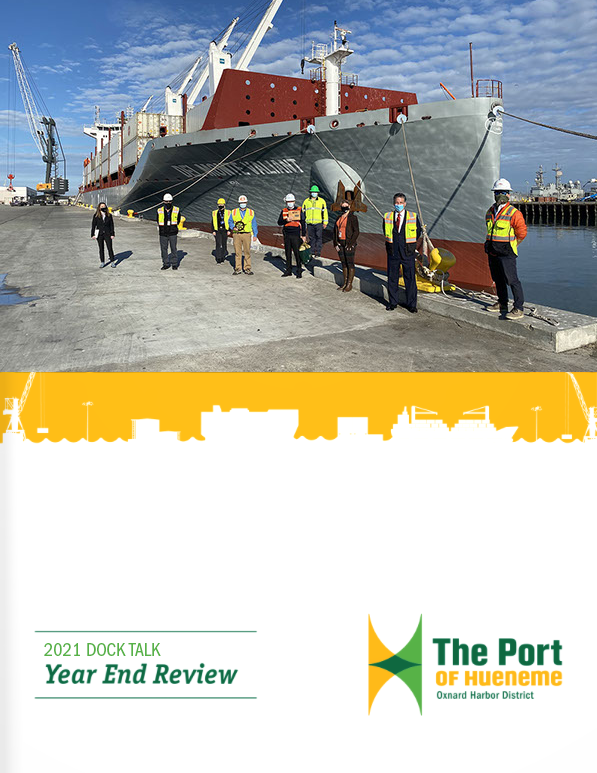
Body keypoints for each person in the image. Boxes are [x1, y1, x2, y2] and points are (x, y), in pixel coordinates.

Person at [484, 178, 527, 320]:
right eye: (497, 192)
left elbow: (522, 233)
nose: (500, 195)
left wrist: (512, 245)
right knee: (498, 279)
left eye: (503, 192)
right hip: (493, 251)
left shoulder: (514, 213)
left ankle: (518, 308)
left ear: (509, 195)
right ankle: (502, 303)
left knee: (512, 280)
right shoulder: (490, 212)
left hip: (507, 253)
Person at [383, 192, 423, 313]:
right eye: (396, 203)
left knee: (410, 278)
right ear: (393, 203)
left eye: (401, 203)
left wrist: (409, 244)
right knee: (392, 278)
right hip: (393, 252)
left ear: (405, 204)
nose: (398, 205)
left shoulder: (412, 216)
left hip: (407, 252)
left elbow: (418, 231)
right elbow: (385, 231)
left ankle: (411, 304)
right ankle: (392, 302)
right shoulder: (387, 216)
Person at [333, 197, 360, 292]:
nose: (344, 208)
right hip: (340, 243)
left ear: (349, 206)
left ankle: (349, 284)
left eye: (346, 206)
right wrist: (335, 243)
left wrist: (351, 243)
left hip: (349, 243)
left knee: (350, 263)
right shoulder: (338, 217)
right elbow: (335, 231)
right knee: (343, 263)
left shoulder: (353, 218)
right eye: (342, 206)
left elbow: (356, 231)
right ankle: (344, 283)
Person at [277, 193, 307, 278]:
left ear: (294, 201)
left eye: (291, 201)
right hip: (287, 234)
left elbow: (303, 222)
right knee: (288, 253)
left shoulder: (299, 210)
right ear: (286, 202)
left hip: (296, 235)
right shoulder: (284, 211)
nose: (290, 203)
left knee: (297, 253)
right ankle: (288, 270)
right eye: (288, 201)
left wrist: (304, 235)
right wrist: (286, 220)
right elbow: (279, 222)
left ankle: (299, 270)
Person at [228, 195, 258, 275]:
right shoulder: (233, 212)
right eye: (241, 203)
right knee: (237, 252)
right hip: (236, 234)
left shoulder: (251, 212)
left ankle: (247, 268)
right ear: (239, 203)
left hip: (247, 234)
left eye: (244, 202)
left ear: (246, 203)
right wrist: (233, 227)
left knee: (247, 251)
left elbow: (254, 224)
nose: (243, 204)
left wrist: (255, 234)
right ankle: (238, 268)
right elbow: (230, 221)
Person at [302, 184, 328, 259]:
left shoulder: (322, 201)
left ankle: (318, 252)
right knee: (311, 238)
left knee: (319, 237)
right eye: (313, 192)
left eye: (315, 192)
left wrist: (325, 222)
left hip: (318, 223)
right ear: (310, 193)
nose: (314, 193)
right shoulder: (306, 201)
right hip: (310, 223)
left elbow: (325, 212)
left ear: (318, 193)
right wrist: (303, 223)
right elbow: (303, 213)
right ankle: (312, 252)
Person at [157, 193, 181, 270]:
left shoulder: (176, 210)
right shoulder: (159, 210)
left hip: (172, 232)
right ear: (163, 202)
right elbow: (158, 220)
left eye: (169, 201)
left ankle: (174, 264)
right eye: (166, 201)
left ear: (172, 201)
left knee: (173, 248)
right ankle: (166, 264)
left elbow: (178, 219)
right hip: (163, 233)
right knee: (164, 249)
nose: (168, 203)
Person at [91, 202, 116, 267]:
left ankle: (112, 261)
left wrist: (112, 234)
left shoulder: (109, 215)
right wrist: (92, 234)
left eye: (104, 206)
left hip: (107, 234)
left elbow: (111, 225)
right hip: (99, 234)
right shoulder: (96, 216)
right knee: (101, 248)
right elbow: (93, 225)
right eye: (101, 206)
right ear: (99, 208)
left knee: (110, 248)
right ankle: (102, 262)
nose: (103, 208)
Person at [212, 197, 231, 263]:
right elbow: (213, 222)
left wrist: (229, 230)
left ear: (224, 205)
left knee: (224, 244)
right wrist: (213, 230)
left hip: (225, 230)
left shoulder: (228, 212)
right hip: (218, 230)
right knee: (218, 243)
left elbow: (230, 221)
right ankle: (218, 258)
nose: (220, 206)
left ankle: (223, 256)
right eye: (219, 205)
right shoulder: (215, 212)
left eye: (221, 205)